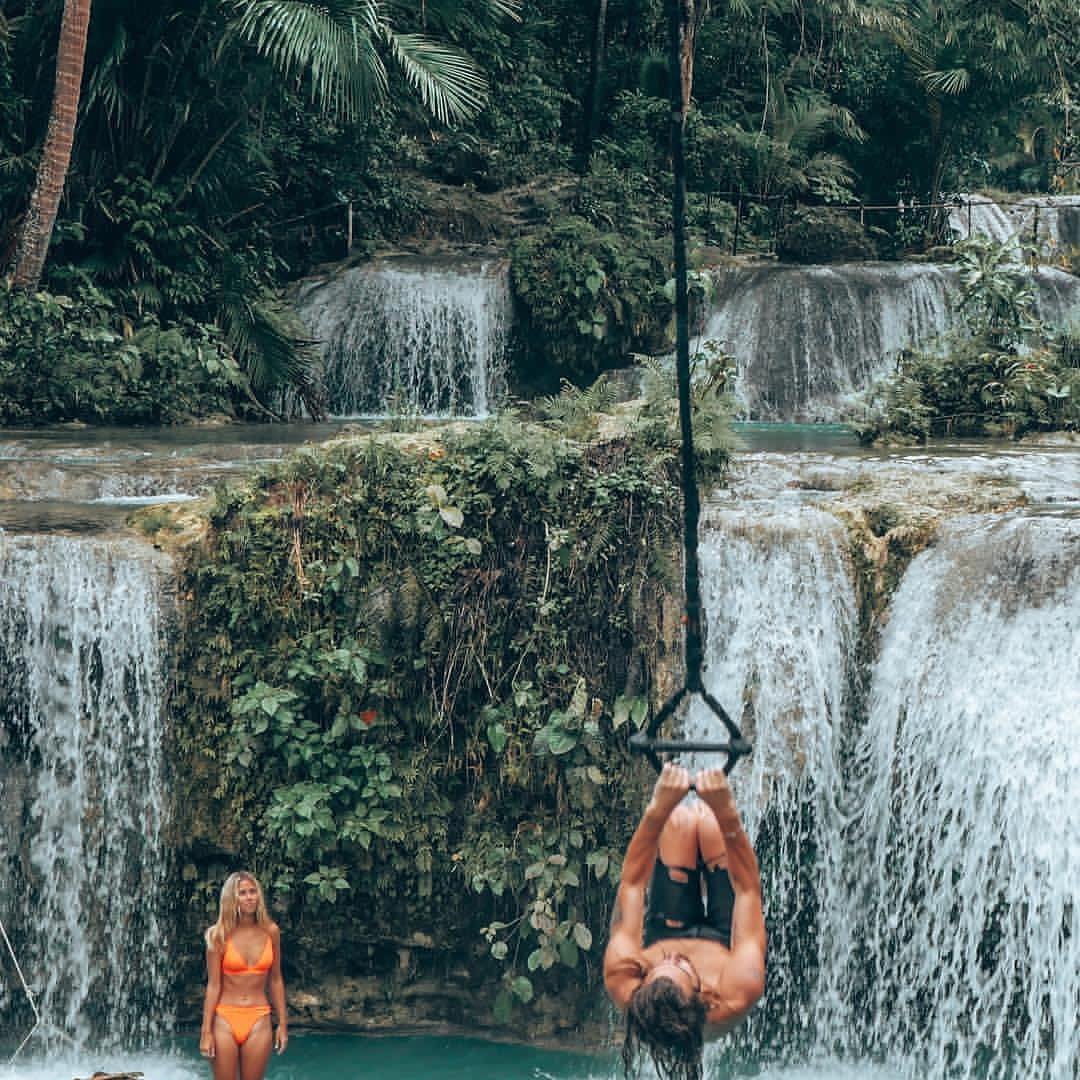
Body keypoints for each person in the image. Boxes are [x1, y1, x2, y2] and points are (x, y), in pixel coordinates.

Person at [603, 763, 766, 1080]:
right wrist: (726, 811)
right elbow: (748, 890)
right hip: (724, 937)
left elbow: (633, 884)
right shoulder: (737, 991)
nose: (677, 957)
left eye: (660, 964)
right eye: (682, 967)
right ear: (702, 996)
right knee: (710, 823)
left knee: (678, 820)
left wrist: (658, 807)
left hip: (669, 927)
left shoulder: (622, 975)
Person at [200, 871, 288, 1080]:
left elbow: (275, 979)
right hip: (224, 1018)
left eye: (253, 891)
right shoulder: (218, 935)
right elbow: (213, 986)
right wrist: (206, 1032)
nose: (249, 897)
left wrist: (283, 1024)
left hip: (259, 1017)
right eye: (242, 893)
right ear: (232, 898)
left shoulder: (271, 931)